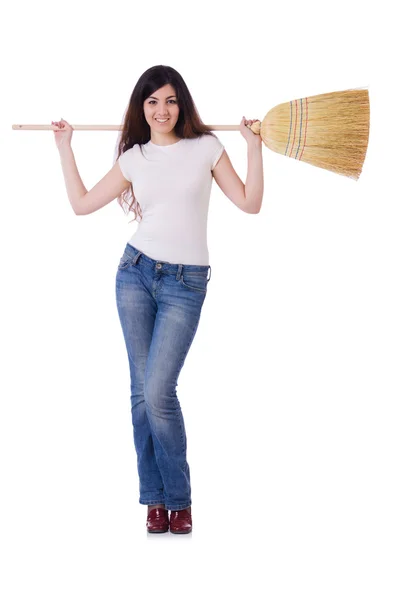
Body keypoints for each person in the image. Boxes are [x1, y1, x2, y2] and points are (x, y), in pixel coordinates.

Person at [52, 64, 264, 534]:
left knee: (157, 392)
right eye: (152, 102)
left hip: (186, 283)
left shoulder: (207, 148)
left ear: (181, 104)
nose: (161, 109)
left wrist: (253, 149)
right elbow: (82, 204)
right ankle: (155, 500)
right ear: (141, 108)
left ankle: (179, 499)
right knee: (139, 395)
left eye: (169, 100)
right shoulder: (134, 159)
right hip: (135, 274)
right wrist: (65, 150)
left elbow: (250, 203)